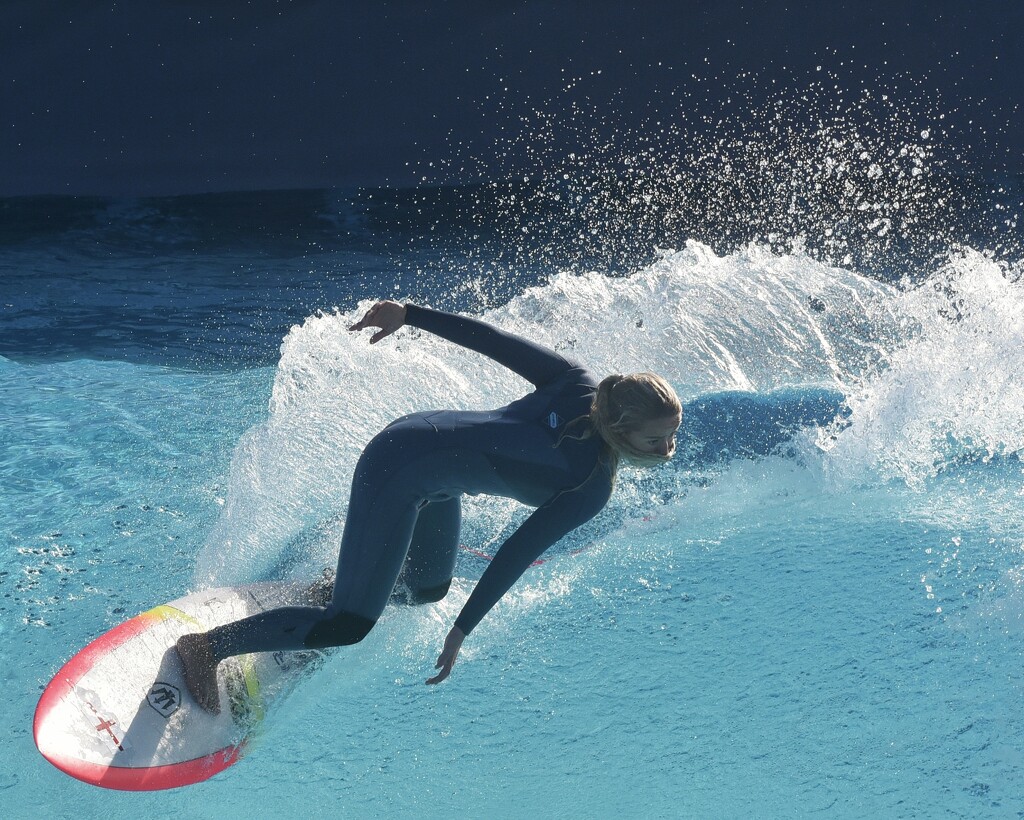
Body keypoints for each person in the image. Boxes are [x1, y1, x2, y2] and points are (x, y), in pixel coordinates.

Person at [177, 300, 681, 713]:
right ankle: (206, 648)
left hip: (426, 456)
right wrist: (462, 632)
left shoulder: (580, 384)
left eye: (670, 436)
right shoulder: (590, 485)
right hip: (399, 466)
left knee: (426, 588)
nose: (667, 450)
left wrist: (411, 315)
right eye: (657, 439)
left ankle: (336, 587)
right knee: (349, 627)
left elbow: (493, 341)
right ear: (620, 428)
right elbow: (516, 552)